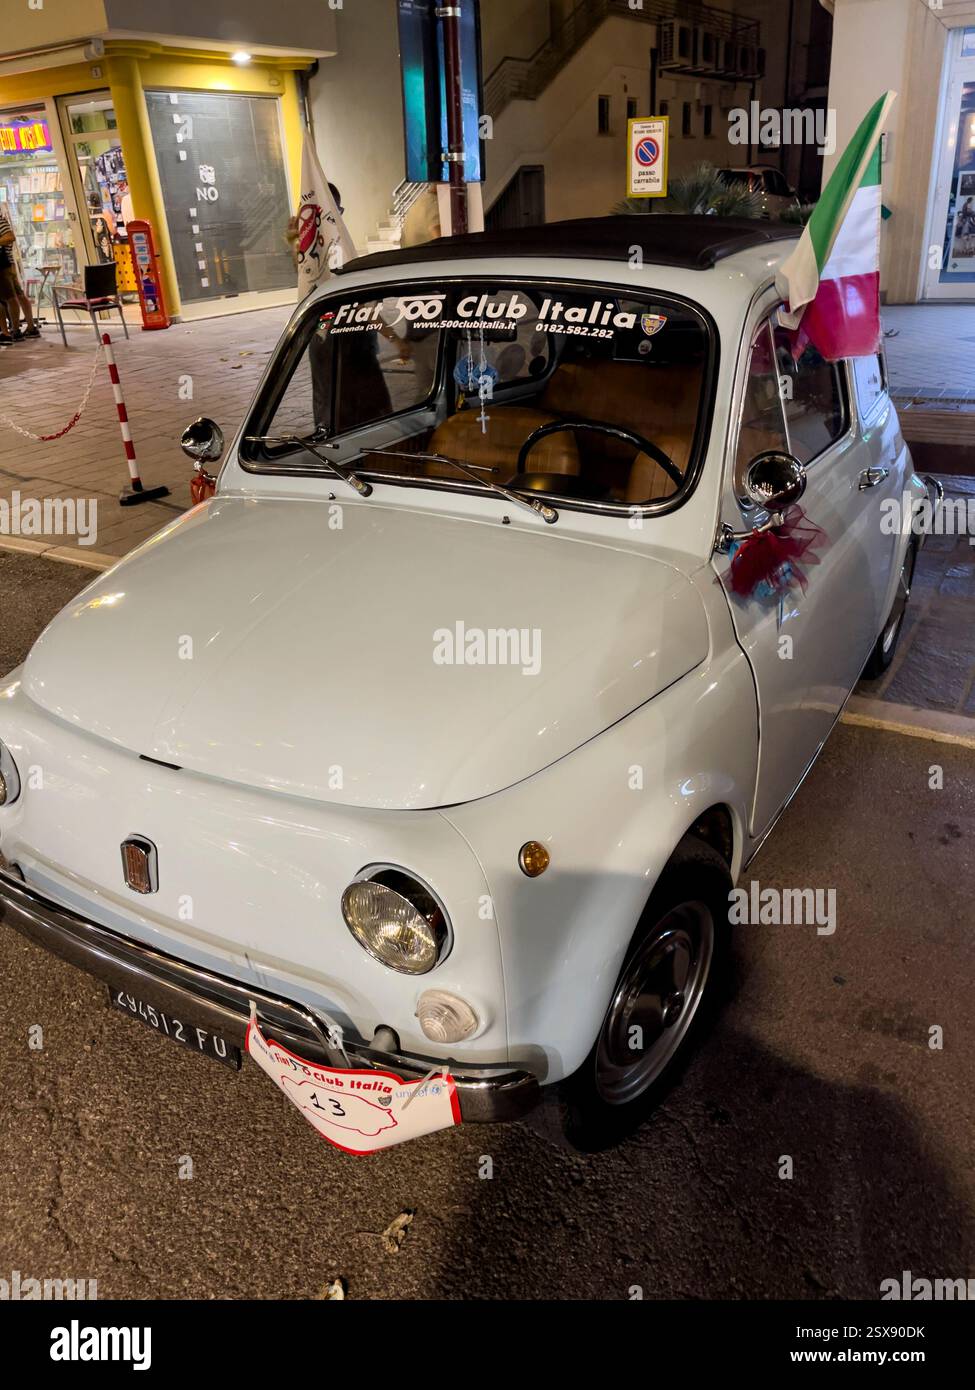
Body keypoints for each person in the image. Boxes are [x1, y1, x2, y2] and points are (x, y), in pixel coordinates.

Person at [0, 210, 39, 341]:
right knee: (19, 295)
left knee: (10, 298)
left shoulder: (0, 221)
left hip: (4, 266)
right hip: (8, 265)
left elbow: (10, 237)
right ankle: (31, 327)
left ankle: (15, 331)